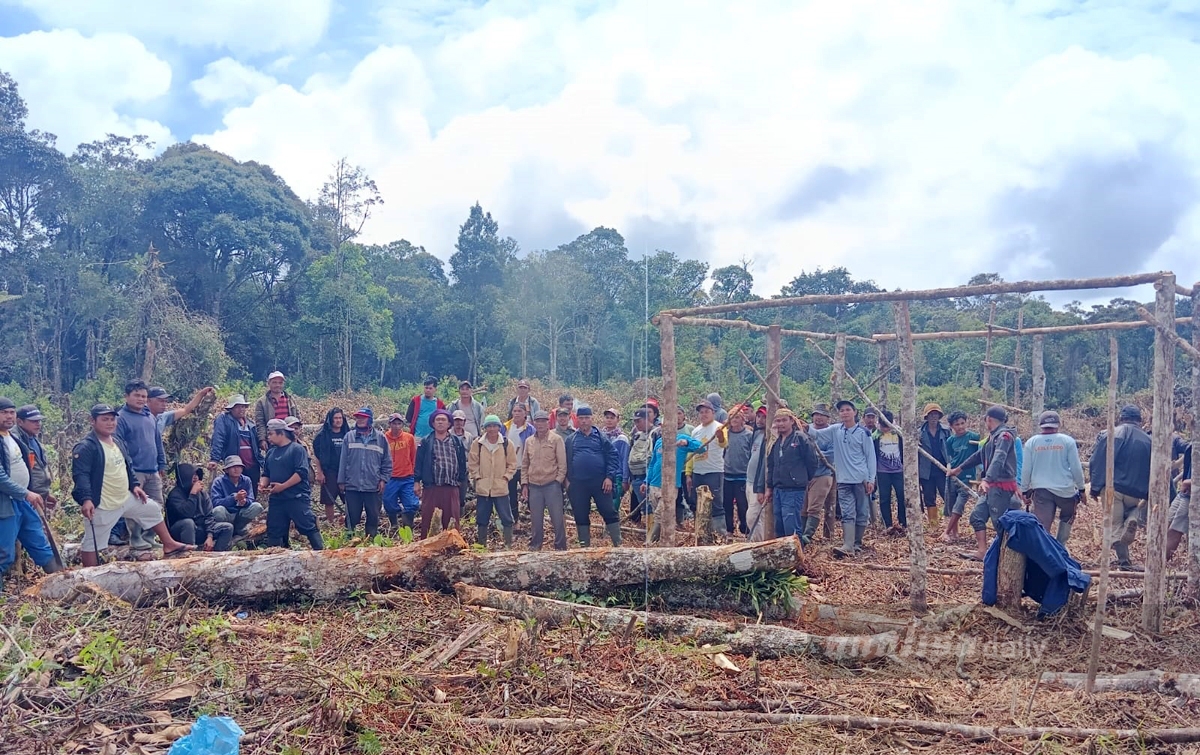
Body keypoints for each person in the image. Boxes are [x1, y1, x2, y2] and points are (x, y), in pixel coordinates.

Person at [73, 404, 195, 566]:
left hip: (124, 497)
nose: (110, 423)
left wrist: (135, 486)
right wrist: (86, 499)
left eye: (112, 419)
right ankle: (88, 577)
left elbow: (127, 466)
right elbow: (81, 475)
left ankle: (169, 544)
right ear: (92, 421)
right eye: (104, 419)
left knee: (151, 509)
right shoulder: (87, 446)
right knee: (92, 543)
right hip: (103, 504)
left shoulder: (116, 441)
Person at [0, 398, 62, 587]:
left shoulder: (12, 437)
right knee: (4, 554)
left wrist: (35, 492)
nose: (9, 416)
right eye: (4, 412)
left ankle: (64, 583)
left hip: (23, 501)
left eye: (12, 412)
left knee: (41, 544)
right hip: (5, 504)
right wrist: (26, 493)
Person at [951, 405, 1022, 562]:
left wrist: (987, 479)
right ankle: (982, 551)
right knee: (977, 517)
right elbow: (979, 455)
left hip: (1000, 486)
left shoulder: (1005, 436)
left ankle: (1009, 557)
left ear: (988, 419)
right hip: (991, 486)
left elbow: (999, 458)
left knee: (1000, 523)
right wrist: (959, 468)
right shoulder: (992, 437)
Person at [1088, 405, 1152, 570]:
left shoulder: (1109, 435)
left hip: (1112, 489)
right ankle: (1132, 518)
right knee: (1132, 511)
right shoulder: (1149, 441)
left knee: (1115, 525)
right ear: (1140, 420)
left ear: (1121, 418)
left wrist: (1095, 487)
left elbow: (1097, 462)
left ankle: (1124, 562)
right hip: (1136, 492)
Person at [811, 399, 877, 558]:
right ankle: (847, 545)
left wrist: (871, 479)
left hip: (861, 479)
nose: (845, 413)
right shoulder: (836, 430)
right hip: (843, 480)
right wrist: (800, 424)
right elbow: (816, 435)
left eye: (848, 409)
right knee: (848, 512)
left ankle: (857, 543)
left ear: (855, 412)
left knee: (862, 512)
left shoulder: (863, 433)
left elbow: (870, 457)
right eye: (842, 410)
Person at [115, 379, 168, 559]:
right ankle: (135, 538)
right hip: (134, 470)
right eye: (137, 395)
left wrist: (162, 463)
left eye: (144, 396)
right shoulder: (120, 418)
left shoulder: (149, 416)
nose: (140, 399)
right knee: (135, 505)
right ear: (127, 396)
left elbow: (157, 442)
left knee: (156, 503)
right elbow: (118, 445)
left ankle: (149, 536)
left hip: (152, 469)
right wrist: (127, 470)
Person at [1020, 410, 1084, 545]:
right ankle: (1060, 547)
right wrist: (1082, 489)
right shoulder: (1067, 441)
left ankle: (1043, 551)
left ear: (1040, 425)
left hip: (1042, 491)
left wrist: (1024, 491)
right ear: (1058, 424)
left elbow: (1026, 470)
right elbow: (1076, 468)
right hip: (1065, 491)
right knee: (1067, 516)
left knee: (1042, 525)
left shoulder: (1032, 443)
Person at [261, 418, 324, 550]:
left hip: (296, 497)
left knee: (308, 525)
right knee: (274, 530)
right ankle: (275, 560)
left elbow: (301, 473)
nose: (268, 437)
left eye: (271, 434)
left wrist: (282, 487)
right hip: (277, 500)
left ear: (281, 433)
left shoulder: (296, 450)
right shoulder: (271, 452)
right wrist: (262, 485)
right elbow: (266, 473)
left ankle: (321, 553)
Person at [564, 407, 622, 547]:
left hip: (600, 482)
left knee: (608, 511)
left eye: (586, 418)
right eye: (581, 418)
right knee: (580, 514)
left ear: (592, 419)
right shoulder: (571, 439)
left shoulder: (601, 437)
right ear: (577, 420)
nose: (584, 421)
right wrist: (567, 481)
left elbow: (613, 456)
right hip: (578, 484)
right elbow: (565, 460)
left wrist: (609, 477)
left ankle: (618, 544)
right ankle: (584, 547)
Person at [642, 423, 703, 544]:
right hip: (654, 484)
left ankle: (649, 542)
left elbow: (702, 447)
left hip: (670, 485)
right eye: (663, 426)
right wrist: (646, 481)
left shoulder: (682, 439)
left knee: (661, 514)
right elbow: (653, 462)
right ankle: (661, 542)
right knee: (657, 515)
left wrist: (687, 443)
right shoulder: (659, 441)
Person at [764, 409, 819, 538]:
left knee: (791, 525)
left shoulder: (800, 438)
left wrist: (802, 478)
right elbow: (771, 465)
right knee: (780, 525)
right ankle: (783, 555)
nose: (781, 423)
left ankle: (796, 554)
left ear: (792, 421)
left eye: (784, 420)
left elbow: (812, 461)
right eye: (778, 420)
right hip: (778, 489)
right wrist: (769, 487)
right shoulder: (776, 442)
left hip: (793, 489)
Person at [415, 409, 468, 539]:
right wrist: (416, 481)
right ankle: (426, 548)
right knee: (429, 520)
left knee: (452, 521)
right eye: (437, 420)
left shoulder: (456, 441)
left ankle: (452, 548)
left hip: (451, 486)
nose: (440, 422)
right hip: (431, 487)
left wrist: (462, 480)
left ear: (449, 423)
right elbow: (419, 462)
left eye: (443, 420)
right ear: (432, 423)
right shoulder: (426, 441)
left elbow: (462, 462)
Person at [338, 408, 390, 538]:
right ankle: (349, 541)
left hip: (373, 486)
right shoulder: (349, 437)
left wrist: (383, 479)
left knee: (373, 516)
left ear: (370, 419)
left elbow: (387, 461)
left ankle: (371, 541)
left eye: (363, 417)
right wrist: (341, 481)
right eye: (357, 417)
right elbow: (343, 460)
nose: (359, 420)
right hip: (352, 485)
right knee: (351, 517)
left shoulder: (380, 438)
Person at [521, 410, 568, 551]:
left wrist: (558, 481)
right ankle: (535, 546)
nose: (540, 424)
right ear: (533, 423)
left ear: (548, 422)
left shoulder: (556, 439)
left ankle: (560, 547)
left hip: (551, 485)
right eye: (538, 421)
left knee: (557, 518)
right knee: (536, 520)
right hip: (534, 486)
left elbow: (562, 463)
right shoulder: (529, 441)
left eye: (543, 421)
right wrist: (524, 484)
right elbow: (525, 464)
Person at [469, 415, 518, 548]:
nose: (492, 429)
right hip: (483, 487)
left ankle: (508, 545)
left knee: (507, 518)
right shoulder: (478, 443)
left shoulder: (506, 443)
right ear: (485, 428)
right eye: (489, 426)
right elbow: (473, 462)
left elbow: (512, 464)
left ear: (499, 427)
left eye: (494, 426)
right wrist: (477, 477)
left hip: (500, 486)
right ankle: (482, 546)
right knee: (482, 518)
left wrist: (506, 477)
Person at [166, 463, 233, 552]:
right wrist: (193, 494)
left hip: (200, 529)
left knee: (227, 528)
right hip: (181, 532)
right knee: (188, 523)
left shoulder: (202, 494)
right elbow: (187, 513)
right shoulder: (175, 495)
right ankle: (190, 553)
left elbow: (209, 516)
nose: (195, 477)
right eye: (192, 475)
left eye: (197, 474)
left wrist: (210, 536)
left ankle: (216, 555)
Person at [688, 399, 728, 536]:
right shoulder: (696, 431)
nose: (704, 415)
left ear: (713, 413)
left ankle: (720, 534)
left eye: (707, 412)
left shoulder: (719, 427)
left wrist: (721, 436)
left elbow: (723, 444)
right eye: (701, 412)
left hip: (714, 471)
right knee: (695, 502)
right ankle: (701, 531)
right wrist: (689, 473)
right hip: (698, 472)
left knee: (716, 503)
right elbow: (691, 453)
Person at [209, 394, 263, 492]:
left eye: (242, 406)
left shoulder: (250, 424)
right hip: (235, 465)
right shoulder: (224, 420)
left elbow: (257, 444)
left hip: (252, 466)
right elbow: (218, 438)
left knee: (251, 494)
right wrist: (214, 459)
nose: (241, 409)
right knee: (233, 493)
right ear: (231, 409)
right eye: (237, 407)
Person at [941, 411, 980, 543]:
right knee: (951, 504)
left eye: (963, 423)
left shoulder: (974, 437)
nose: (961, 426)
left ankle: (946, 532)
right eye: (957, 424)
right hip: (952, 476)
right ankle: (954, 533)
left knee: (960, 504)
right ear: (951, 426)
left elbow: (980, 453)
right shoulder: (950, 440)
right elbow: (950, 457)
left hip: (967, 477)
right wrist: (949, 468)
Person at [804, 403, 838, 545]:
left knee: (815, 507)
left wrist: (812, 454)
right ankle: (799, 535)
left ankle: (807, 536)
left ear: (827, 418)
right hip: (805, 475)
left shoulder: (831, 433)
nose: (818, 418)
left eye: (822, 415)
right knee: (803, 507)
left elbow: (831, 454)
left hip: (823, 474)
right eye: (816, 415)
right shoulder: (806, 429)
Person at [312, 407, 349, 524]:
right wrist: (320, 472)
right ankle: (331, 522)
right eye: (335, 418)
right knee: (329, 500)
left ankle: (349, 521)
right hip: (329, 471)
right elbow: (317, 455)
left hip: (346, 471)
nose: (338, 421)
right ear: (330, 420)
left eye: (340, 418)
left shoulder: (348, 434)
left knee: (349, 498)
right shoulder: (322, 436)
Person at [14, 405, 54, 511]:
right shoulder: (15, 441)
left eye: (39, 420)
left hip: (38, 496)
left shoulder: (33, 438)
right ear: (19, 421)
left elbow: (38, 468)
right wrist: (27, 493)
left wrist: (46, 493)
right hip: (25, 498)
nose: (38, 424)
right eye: (33, 421)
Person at [210, 456, 263, 536]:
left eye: (239, 467)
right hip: (226, 513)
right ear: (227, 470)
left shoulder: (246, 480)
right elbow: (215, 502)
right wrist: (234, 498)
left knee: (257, 506)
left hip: (241, 512)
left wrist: (245, 502)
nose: (236, 469)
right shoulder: (219, 482)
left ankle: (239, 527)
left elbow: (251, 499)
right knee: (218, 510)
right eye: (233, 467)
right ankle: (226, 530)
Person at [383, 413, 419, 529]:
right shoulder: (384, 438)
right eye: (394, 423)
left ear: (402, 425)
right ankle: (394, 525)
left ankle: (408, 528)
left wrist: (415, 477)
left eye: (399, 424)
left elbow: (414, 457)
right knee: (388, 503)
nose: (396, 426)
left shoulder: (409, 438)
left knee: (412, 504)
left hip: (407, 476)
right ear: (389, 424)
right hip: (390, 477)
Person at [918, 402, 950, 529]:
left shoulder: (946, 431)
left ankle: (951, 526)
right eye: (931, 414)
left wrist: (950, 464)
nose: (934, 417)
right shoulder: (919, 432)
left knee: (947, 496)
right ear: (926, 417)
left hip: (942, 469)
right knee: (929, 498)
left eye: (936, 414)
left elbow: (950, 448)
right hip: (927, 471)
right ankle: (934, 526)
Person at [874, 409, 906, 532]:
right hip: (882, 472)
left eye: (887, 426)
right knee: (884, 498)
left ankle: (903, 523)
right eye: (883, 426)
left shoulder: (899, 433)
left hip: (899, 470)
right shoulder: (875, 435)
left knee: (902, 496)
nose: (886, 429)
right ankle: (888, 525)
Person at [505, 404, 536, 521]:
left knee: (531, 494)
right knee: (511, 495)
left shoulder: (530, 429)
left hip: (525, 468)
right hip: (510, 468)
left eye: (520, 411)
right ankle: (515, 520)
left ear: (525, 414)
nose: (517, 413)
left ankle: (535, 521)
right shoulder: (506, 428)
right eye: (515, 411)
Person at [255, 371, 299, 453]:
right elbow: (260, 422)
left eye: (280, 383)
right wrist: (262, 439)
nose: (277, 385)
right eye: (274, 382)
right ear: (269, 383)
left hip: (289, 437)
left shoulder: (290, 399)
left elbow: (297, 418)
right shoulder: (262, 402)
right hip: (273, 439)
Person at [600, 408, 630, 525]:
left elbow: (624, 459)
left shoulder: (622, 438)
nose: (609, 420)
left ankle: (611, 530)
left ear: (618, 420)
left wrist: (625, 479)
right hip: (602, 475)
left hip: (616, 476)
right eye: (607, 417)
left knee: (614, 504)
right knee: (603, 504)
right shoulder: (600, 436)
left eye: (612, 418)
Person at [626, 408, 655, 525]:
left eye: (639, 421)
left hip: (648, 475)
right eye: (635, 421)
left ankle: (652, 532)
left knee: (650, 505)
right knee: (643, 506)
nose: (637, 424)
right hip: (636, 476)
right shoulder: (636, 436)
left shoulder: (656, 433)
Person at [149, 385, 215, 436]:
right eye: (160, 401)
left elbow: (186, 410)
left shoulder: (162, 417)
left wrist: (202, 393)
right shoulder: (140, 418)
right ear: (148, 401)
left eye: (165, 401)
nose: (164, 404)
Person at [746, 406, 770, 541]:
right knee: (756, 516)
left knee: (753, 516)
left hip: (758, 483)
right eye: (759, 416)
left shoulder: (770, 438)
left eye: (764, 417)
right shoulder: (755, 434)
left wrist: (762, 487)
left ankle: (757, 544)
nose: (760, 420)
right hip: (749, 480)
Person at [1166, 442, 1192, 562]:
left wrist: (1188, 482)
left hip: (1193, 494)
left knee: (1175, 530)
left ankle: (1161, 562)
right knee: (1167, 523)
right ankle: (1156, 559)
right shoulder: (1194, 443)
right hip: (1184, 492)